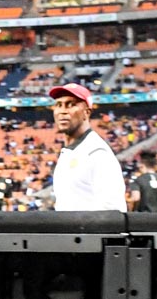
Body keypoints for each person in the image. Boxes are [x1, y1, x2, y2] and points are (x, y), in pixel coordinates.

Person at [48, 83, 127, 212]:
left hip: (86, 231)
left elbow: (113, 211)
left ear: (87, 112)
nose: (62, 111)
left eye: (71, 104)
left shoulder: (97, 153)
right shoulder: (70, 151)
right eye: (58, 105)